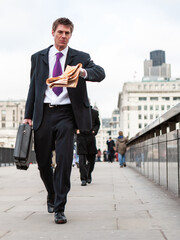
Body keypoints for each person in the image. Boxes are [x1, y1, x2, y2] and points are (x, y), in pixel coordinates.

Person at [23, 17, 105, 224]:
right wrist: (28, 116)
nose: (63, 36)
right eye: (60, 32)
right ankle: (52, 193)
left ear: (71, 35)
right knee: (43, 163)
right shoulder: (38, 57)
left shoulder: (80, 57)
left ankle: (60, 207)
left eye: (67, 33)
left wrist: (82, 71)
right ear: (53, 33)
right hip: (44, 113)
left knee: (65, 161)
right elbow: (33, 87)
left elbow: (100, 73)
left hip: (67, 115)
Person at [76, 107, 100, 186]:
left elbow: (97, 123)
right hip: (81, 137)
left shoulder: (94, 112)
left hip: (91, 137)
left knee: (91, 159)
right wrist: (76, 130)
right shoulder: (77, 111)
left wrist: (94, 131)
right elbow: (72, 122)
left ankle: (88, 174)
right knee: (81, 160)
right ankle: (83, 179)